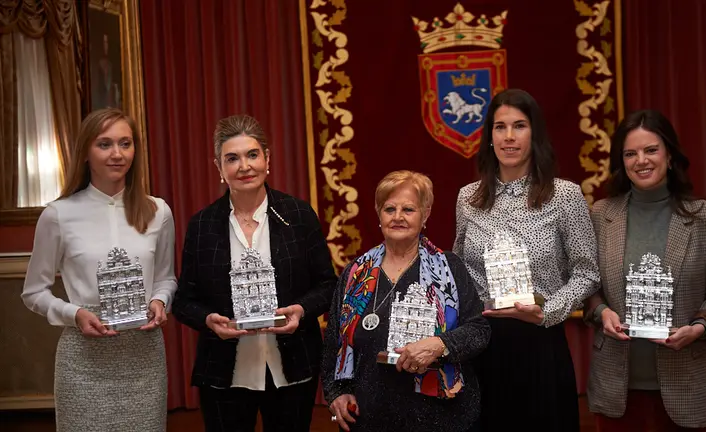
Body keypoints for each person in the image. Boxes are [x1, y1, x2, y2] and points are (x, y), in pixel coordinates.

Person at [172, 114, 337, 432]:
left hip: (291, 366)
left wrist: (301, 310)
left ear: (267, 159)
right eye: (232, 158)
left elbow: (328, 285)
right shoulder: (202, 225)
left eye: (252, 155)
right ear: (219, 167)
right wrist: (209, 320)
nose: (244, 166)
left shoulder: (299, 215)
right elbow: (183, 301)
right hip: (224, 371)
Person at [453, 88, 600, 431]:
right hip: (481, 346)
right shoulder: (467, 198)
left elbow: (587, 272)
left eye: (519, 126)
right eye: (500, 127)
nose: (509, 136)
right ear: (489, 137)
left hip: (540, 344)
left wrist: (546, 312)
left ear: (535, 134)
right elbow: (458, 268)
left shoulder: (564, 195)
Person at [21, 108, 176, 431]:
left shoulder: (158, 211)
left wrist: (160, 301)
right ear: (85, 152)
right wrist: (74, 313)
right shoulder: (58, 215)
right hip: (83, 360)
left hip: (143, 358)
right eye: (104, 144)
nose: (117, 154)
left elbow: (165, 278)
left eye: (125, 143)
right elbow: (33, 292)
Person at [583, 109, 706, 431]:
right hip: (617, 386)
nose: (641, 160)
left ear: (669, 155)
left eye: (651, 150)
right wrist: (601, 312)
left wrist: (699, 327)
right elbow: (588, 285)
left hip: (686, 383)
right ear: (621, 161)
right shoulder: (601, 214)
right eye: (630, 153)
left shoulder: (703, 216)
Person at [321, 170, 490, 432]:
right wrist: (336, 392)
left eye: (408, 209)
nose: (398, 217)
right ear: (379, 213)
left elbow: (479, 331)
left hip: (442, 418)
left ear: (425, 214)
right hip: (370, 417)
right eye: (390, 209)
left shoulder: (450, 268)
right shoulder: (355, 274)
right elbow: (334, 341)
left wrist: (440, 344)